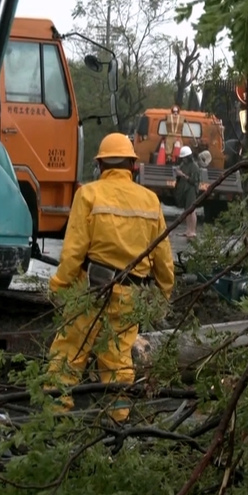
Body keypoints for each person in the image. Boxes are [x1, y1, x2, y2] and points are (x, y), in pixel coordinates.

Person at [45, 132, 175, 422]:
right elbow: (164, 258)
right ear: (132, 165)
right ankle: (118, 425)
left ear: (100, 165)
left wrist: (58, 286)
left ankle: (53, 422)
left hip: (91, 293)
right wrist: (163, 294)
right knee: (118, 364)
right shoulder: (150, 201)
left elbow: (74, 252)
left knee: (67, 356)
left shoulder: (88, 194)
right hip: (130, 297)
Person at [174, 146, 201, 238]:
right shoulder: (183, 165)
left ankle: (192, 231)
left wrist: (183, 175)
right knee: (187, 210)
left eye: (185, 158)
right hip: (184, 189)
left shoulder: (194, 167)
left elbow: (194, 181)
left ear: (188, 157)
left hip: (191, 190)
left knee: (192, 210)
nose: (183, 159)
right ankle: (188, 230)